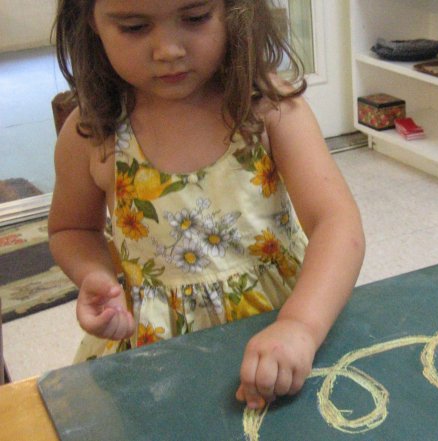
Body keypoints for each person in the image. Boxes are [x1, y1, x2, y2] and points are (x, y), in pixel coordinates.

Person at [49, 0, 365, 410]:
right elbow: (71, 229)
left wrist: (300, 324)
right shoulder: (93, 131)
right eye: (134, 27)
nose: (168, 50)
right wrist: (95, 274)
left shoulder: (268, 107)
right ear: (90, 22)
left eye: (195, 18)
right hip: (153, 354)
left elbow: (337, 222)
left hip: (283, 325)